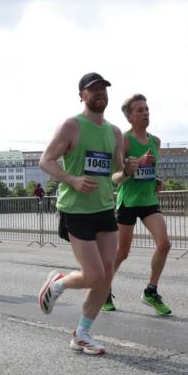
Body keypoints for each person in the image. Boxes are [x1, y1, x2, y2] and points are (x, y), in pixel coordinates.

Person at [36, 72, 128, 356]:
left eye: (103, 89)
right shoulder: (71, 126)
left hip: (104, 208)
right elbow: (46, 161)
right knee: (93, 274)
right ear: (82, 95)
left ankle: (82, 333)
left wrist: (129, 170)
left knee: (107, 273)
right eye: (94, 89)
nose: (100, 93)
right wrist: (72, 180)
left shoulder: (114, 133)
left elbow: (115, 175)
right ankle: (58, 283)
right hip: (76, 210)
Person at [106, 93, 172, 315]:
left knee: (164, 244)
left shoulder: (155, 141)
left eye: (147, 109)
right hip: (128, 201)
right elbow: (115, 176)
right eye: (140, 110)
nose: (145, 113)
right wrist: (131, 168)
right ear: (129, 117)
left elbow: (150, 172)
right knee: (122, 253)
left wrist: (157, 180)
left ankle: (151, 292)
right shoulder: (124, 140)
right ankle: (104, 290)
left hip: (148, 201)